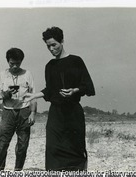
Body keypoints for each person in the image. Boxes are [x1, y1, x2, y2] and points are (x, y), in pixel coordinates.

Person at [24, 27, 95, 171]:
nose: (51, 49)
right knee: (53, 147)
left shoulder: (76, 61)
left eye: (54, 45)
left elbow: (88, 87)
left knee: (75, 147)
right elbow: (50, 91)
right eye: (48, 46)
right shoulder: (50, 66)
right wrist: (34, 95)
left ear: (62, 41)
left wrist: (74, 91)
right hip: (56, 113)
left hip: (73, 113)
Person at [0, 48, 37, 171]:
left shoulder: (27, 74)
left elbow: (33, 95)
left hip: (24, 111)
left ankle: (18, 171)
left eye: (18, 63)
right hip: (8, 112)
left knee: (23, 145)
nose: (15, 66)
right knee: (2, 144)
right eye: (12, 63)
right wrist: (6, 93)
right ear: (8, 61)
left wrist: (33, 113)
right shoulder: (3, 75)